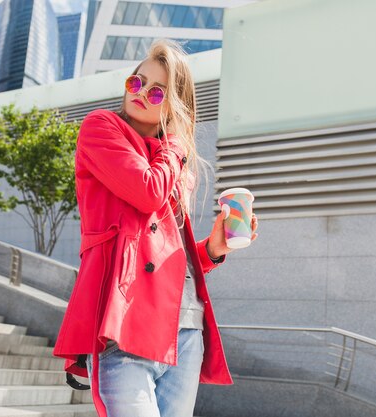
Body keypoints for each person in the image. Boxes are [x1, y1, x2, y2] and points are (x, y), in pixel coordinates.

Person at [52, 39, 259, 417]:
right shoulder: (103, 128)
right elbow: (146, 193)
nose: (141, 94)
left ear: (175, 103)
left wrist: (212, 250)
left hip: (185, 331)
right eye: (137, 82)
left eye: (157, 90)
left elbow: (163, 254)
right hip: (126, 323)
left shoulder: (173, 164)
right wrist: (177, 146)